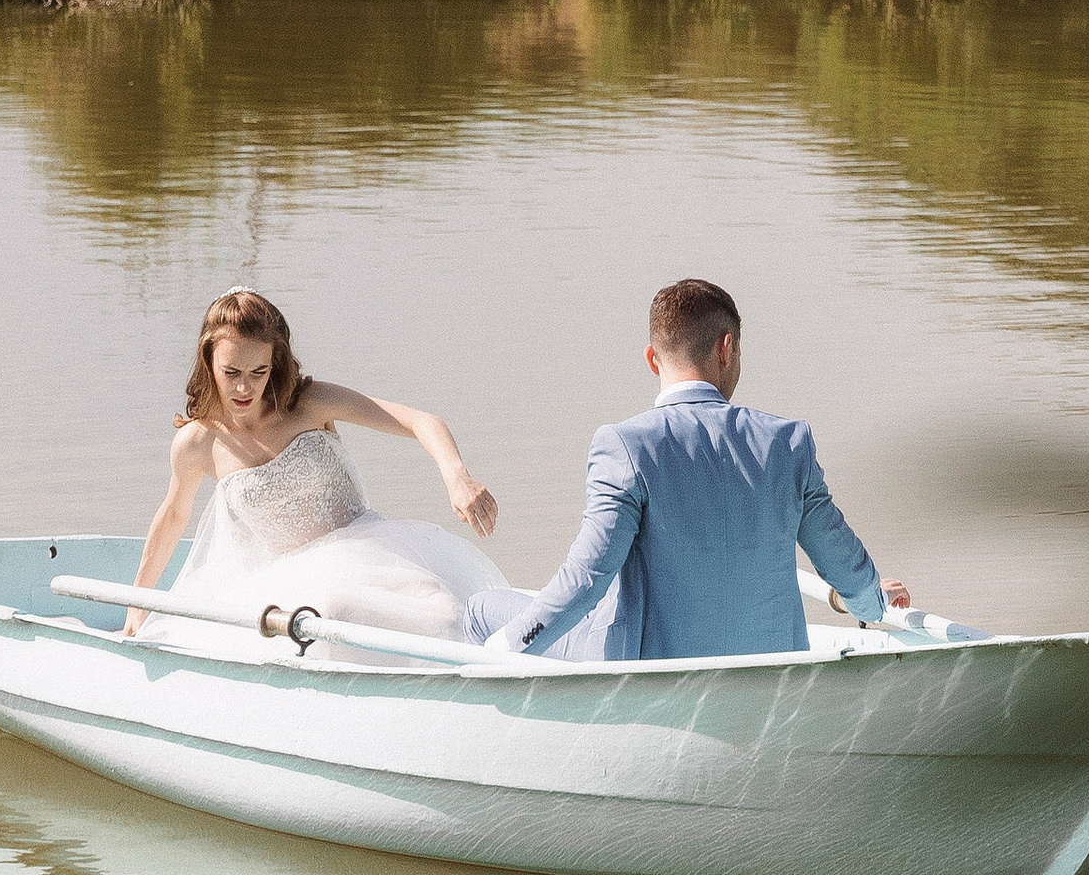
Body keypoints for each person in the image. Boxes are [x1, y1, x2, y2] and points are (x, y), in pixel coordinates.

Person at [467, 276, 909, 662]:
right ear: (727, 347)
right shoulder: (787, 443)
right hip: (774, 672)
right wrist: (872, 602)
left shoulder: (624, 445)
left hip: (651, 670)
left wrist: (505, 650)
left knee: (482, 609)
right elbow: (843, 564)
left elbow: (586, 580)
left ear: (651, 359)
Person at [123, 286, 497, 650]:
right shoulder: (197, 442)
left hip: (374, 552)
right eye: (231, 372)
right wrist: (137, 603)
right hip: (292, 581)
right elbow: (172, 516)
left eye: (259, 371)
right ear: (209, 363)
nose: (244, 388)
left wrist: (457, 477)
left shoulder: (310, 403)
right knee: (332, 612)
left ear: (276, 363)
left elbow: (422, 421)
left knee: (445, 616)